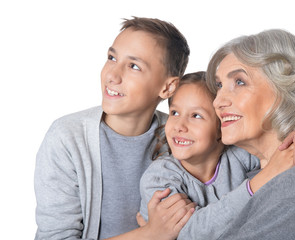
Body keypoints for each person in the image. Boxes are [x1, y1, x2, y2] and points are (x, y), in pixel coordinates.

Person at [178, 29, 295, 239]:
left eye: (239, 82)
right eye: (219, 86)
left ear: (286, 88)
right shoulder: (256, 163)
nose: (218, 101)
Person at [34, 17, 196, 240]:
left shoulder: (184, 137)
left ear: (167, 87)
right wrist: (151, 234)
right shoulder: (67, 138)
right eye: (112, 58)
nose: (112, 75)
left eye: (134, 66)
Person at [139, 72, 295, 225]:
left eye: (196, 116)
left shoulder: (238, 156)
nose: (179, 125)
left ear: (222, 127)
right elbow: (191, 232)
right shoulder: (159, 179)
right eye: (174, 112)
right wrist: (256, 184)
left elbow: (283, 144)